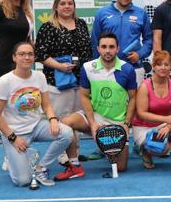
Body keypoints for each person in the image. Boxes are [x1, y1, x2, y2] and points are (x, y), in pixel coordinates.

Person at [54, 32, 137, 180]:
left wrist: (126, 124)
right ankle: (75, 166)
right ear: (98, 48)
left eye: (111, 47)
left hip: (117, 123)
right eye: (104, 47)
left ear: (117, 48)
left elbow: (133, 98)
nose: (107, 50)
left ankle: (108, 149)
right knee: (65, 123)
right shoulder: (87, 68)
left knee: (121, 168)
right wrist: (92, 123)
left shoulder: (128, 69)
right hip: (95, 118)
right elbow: (84, 95)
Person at [0, 42, 73, 187]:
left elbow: (46, 104)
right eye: (22, 54)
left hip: (37, 126)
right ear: (14, 57)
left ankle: (40, 168)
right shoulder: (5, 81)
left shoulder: (39, 76)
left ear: (34, 58)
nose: (26, 57)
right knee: (23, 181)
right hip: (15, 132)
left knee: (66, 133)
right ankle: (12, 159)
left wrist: (53, 119)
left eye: (30, 54)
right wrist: (13, 138)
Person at [35, 0, 93, 118]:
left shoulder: (81, 24)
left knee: (78, 121)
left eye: (70, 3)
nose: (67, 6)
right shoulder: (48, 27)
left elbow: (88, 51)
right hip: (59, 83)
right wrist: (59, 66)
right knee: (61, 124)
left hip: (81, 82)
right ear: (56, 7)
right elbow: (40, 54)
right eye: (62, 3)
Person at [133, 51, 171, 173]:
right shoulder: (145, 86)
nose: (163, 68)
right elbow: (141, 113)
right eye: (159, 64)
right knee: (160, 149)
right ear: (153, 66)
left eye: (166, 64)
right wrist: (166, 120)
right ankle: (146, 151)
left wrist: (169, 126)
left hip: (164, 124)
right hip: (144, 126)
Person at [91, 0, 152, 85]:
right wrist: (97, 66)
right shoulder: (102, 13)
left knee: (135, 101)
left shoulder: (141, 13)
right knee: (109, 101)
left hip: (134, 67)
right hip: (107, 68)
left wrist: (139, 54)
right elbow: (95, 41)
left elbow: (149, 39)